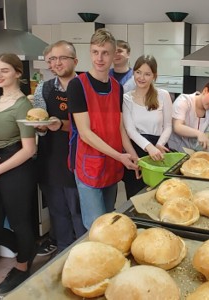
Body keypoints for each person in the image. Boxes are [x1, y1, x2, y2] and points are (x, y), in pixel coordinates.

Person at [67, 28, 140, 229]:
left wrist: (132, 154)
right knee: (96, 226)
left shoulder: (117, 87)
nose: (100, 58)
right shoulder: (77, 86)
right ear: (90, 52)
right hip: (88, 164)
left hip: (111, 164)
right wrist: (120, 156)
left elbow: (119, 127)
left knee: (109, 220)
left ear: (114, 54)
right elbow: (85, 133)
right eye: (95, 52)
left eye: (105, 52)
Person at [0, 53, 38, 293]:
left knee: (19, 221)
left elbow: (29, 149)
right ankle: (27, 248)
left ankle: (22, 266)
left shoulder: (24, 105)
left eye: (4, 70)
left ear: (17, 72)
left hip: (15, 166)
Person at [33, 40, 87, 254]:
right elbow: (39, 123)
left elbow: (91, 126)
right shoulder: (43, 89)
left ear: (75, 60)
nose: (57, 62)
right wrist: (41, 127)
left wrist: (62, 125)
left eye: (62, 57)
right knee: (58, 212)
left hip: (79, 159)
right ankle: (63, 254)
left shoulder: (85, 87)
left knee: (79, 211)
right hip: (50, 159)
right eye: (53, 58)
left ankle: (82, 253)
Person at [122, 55, 173, 198]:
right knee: (134, 198)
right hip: (137, 150)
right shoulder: (126, 98)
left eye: (147, 74)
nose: (141, 77)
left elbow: (168, 126)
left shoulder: (163, 95)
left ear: (154, 76)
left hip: (159, 149)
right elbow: (130, 130)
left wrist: (159, 144)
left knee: (161, 195)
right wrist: (149, 147)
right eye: (138, 72)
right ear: (133, 73)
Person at [168, 79, 209, 153]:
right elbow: (177, 127)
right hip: (173, 150)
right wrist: (199, 134)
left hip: (191, 151)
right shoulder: (184, 101)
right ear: (205, 90)